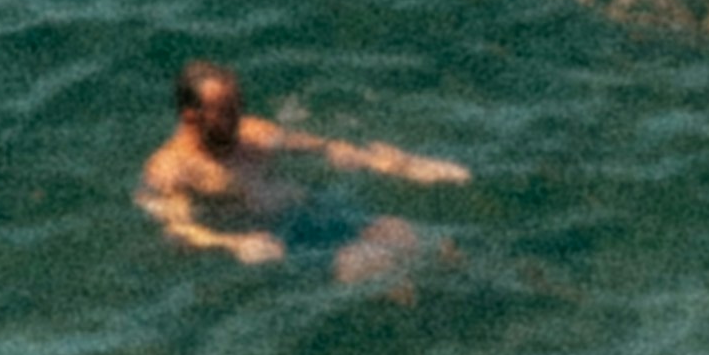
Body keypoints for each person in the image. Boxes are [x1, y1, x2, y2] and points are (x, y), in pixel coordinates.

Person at [137, 62, 470, 268]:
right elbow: (176, 230)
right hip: (279, 241)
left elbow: (326, 149)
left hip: (317, 209)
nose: (237, 117)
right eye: (224, 111)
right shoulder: (171, 168)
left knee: (420, 241)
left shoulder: (252, 132)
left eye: (238, 105)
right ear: (190, 115)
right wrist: (234, 245)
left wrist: (402, 165)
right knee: (375, 273)